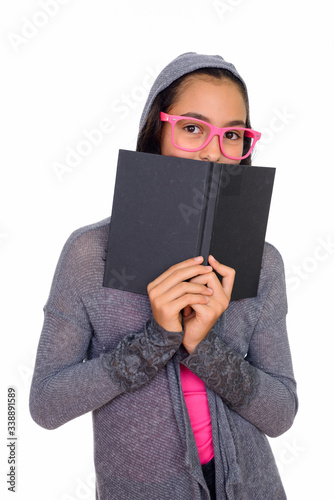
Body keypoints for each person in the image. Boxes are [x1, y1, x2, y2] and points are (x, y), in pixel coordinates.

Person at [29, 52, 298, 500]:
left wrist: (203, 345)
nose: (214, 149)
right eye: (193, 128)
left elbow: (281, 413)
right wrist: (155, 340)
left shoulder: (263, 262)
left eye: (233, 134)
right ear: (158, 131)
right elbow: (44, 404)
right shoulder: (90, 253)